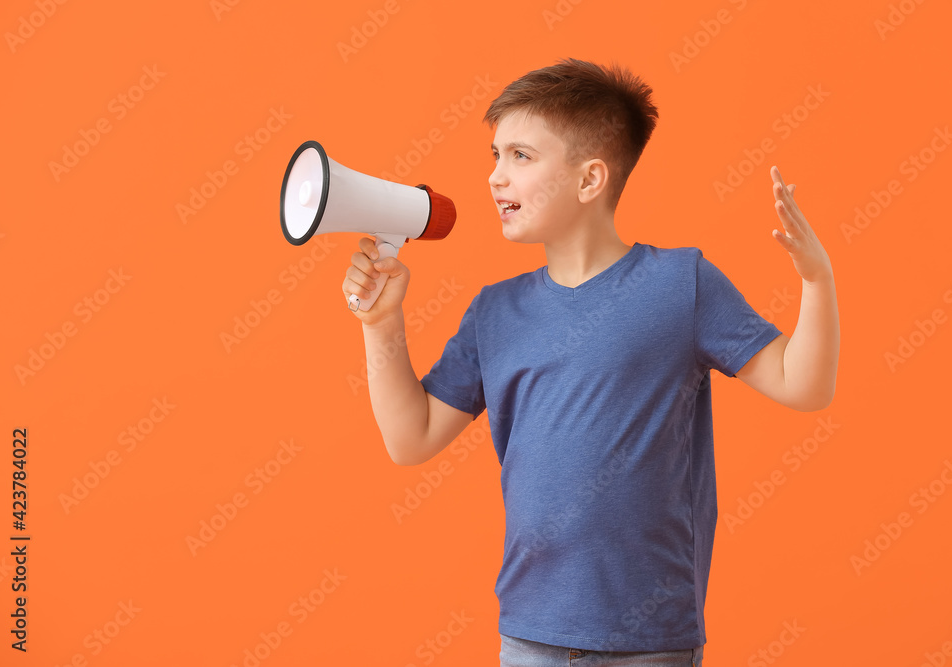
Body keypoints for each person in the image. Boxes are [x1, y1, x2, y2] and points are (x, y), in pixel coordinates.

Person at [342, 57, 839, 667]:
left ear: (590, 179)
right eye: (494, 156)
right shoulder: (495, 312)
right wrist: (381, 323)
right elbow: (410, 438)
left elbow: (804, 386)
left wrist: (818, 283)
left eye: (520, 156)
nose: (496, 177)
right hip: (529, 635)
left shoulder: (681, 284)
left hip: (650, 642)